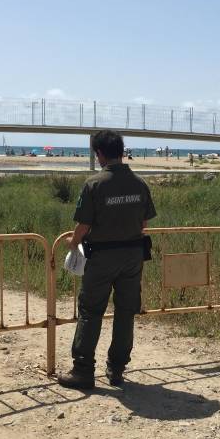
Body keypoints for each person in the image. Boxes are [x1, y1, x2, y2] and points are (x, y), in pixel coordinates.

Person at [57, 130, 156, 390]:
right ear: (121, 151)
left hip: (102, 256)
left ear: (99, 154)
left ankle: (83, 370)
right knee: (125, 312)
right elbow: (144, 222)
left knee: (91, 311)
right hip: (134, 255)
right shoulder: (139, 183)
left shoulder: (94, 184)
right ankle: (117, 369)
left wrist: (74, 242)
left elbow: (84, 224)